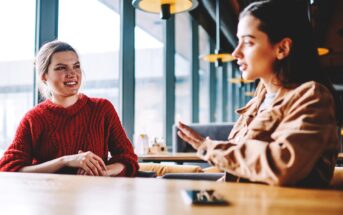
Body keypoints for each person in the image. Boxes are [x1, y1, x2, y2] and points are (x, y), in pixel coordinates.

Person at [178, 0, 340, 187]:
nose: (236, 52)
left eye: (247, 42)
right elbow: (241, 164)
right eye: (238, 42)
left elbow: (282, 165)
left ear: (282, 49)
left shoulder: (312, 96)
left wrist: (209, 148)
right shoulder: (259, 100)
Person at [0, 40, 138, 177]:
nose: (72, 73)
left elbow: (127, 159)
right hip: (48, 197)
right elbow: (8, 168)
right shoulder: (34, 118)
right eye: (61, 68)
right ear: (44, 76)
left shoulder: (102, 109)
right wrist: (64, 161)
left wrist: (101, 171)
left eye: (76, 66)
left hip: (95, 196)